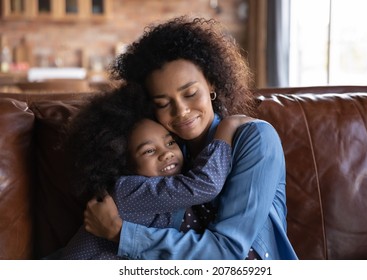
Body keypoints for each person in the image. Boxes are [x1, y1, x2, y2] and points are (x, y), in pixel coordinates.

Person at [84, 16, 298, 260]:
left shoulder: (255, 139)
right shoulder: (165, 154)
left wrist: (120, 234)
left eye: (191, 93)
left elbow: (228, 253)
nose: (181, 111)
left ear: (212, 83)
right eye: (163, 103)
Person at [61, 86, 250, 259]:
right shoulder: (126, 191)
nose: (166, 153)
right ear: (125, 164)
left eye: (170, 143)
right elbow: (205, 185)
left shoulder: (172, 184)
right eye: (149, 151)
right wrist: (227, 129)